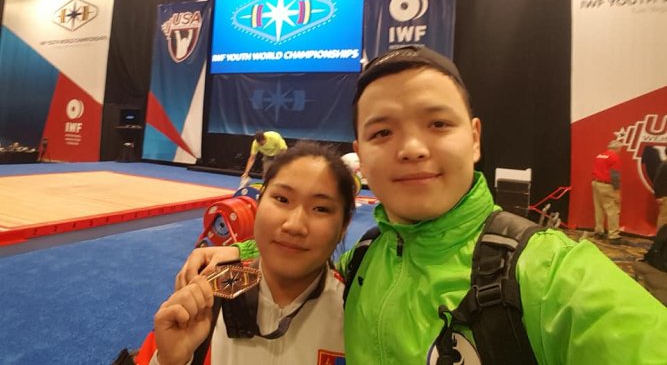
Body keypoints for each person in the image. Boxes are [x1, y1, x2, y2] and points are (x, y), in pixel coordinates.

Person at [178, 46, 667, 364]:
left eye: (437, 124)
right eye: (382, 132)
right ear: (361, 155)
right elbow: (302, 267)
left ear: (475, 138)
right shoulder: (365, 260)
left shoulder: (550, 276)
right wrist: (239, 255)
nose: (411, 148)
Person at [152, 141, 356, 365]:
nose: (294, 225)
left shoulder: (356, 311)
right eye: (282, 199)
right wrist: (171, 361)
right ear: (258, 205)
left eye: (321, 208)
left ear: (343, 226)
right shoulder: (209, 293)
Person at [591, 139, 623, 244]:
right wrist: (617, 192)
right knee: (612, 210)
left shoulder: (600, 155)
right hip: (606, 186)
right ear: (617, 148)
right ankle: (613, 235)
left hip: (596, 183)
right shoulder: (614, 157)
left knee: (599, 209)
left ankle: (599, 231)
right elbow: (615, 175)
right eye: (620, 148)